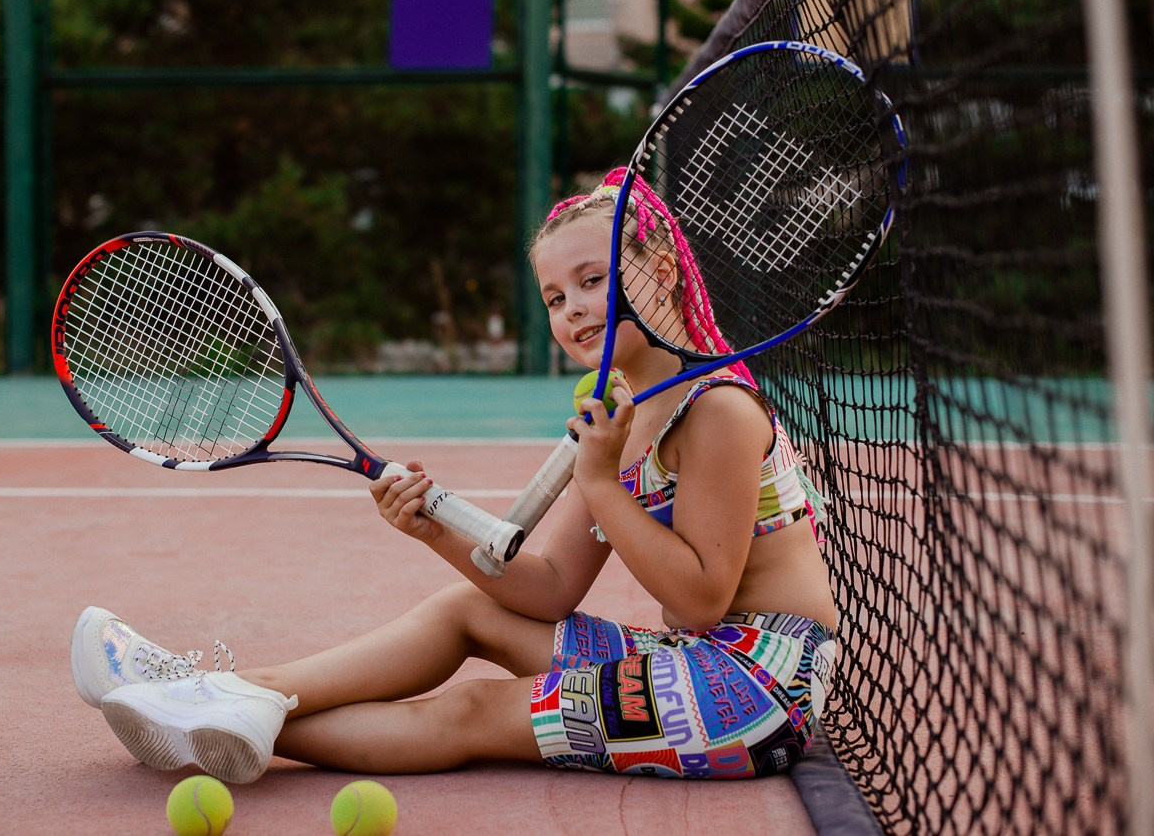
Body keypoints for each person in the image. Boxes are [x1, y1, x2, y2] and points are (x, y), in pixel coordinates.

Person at [71, 169, 840, 784]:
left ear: (663, 272)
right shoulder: (619, 413)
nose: (574, 308)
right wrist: (432, 525)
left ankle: (201, 709)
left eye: (594, 280)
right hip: (702, 664)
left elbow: (703, 598)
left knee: (473, 708)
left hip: (759, 690)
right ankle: (226, 700)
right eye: (554, 296)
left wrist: (602, 482)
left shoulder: (718, 411)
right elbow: (548, 587)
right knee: (467, 609)